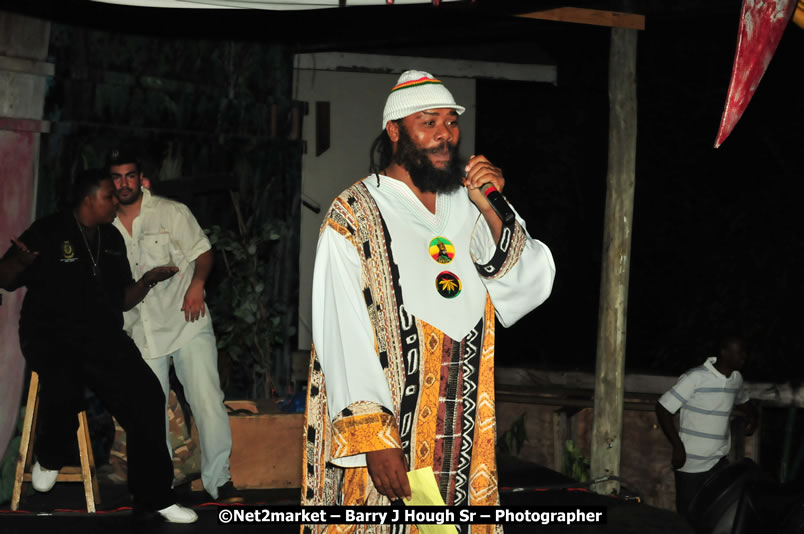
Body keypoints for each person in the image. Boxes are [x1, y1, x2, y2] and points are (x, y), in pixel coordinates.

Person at [301, 70, 556, 534]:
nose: (444, 134)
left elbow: (529, 284)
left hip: (463, 426)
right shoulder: (353, 213)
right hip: (392, 430)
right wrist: (374, 439)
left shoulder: (469, 201)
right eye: (428, 122)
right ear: (394, 131)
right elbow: (342, 330)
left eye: (450, 122)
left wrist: (491, 208)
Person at [0, 169, 197, 523]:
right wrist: (21, 262)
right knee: (65, 385)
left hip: (101, 336)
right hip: (51, 334)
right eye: (109, 195)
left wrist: (149, 281)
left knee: (147, 395)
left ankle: (154, 496)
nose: (116, 199)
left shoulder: (111, 238)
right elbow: (5, 278)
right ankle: (49, 457)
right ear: (89, 199)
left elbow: (121, 300)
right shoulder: (47, 231)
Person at [107, 148, 238, 503]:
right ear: (110, 182)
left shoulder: (170, 211)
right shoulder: (106, 228)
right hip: (141, 329)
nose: (124, 183)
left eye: (129, 175)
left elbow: (203, 252)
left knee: (206, 398)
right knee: (150, 409)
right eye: (117, 177)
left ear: (140, 178)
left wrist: (198, 285)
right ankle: (159, 485)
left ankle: (219, 480)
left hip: (186, 318)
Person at [655, 335, 757, 519]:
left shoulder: (736, 378)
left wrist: (752, 417)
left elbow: (743, 401)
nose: (743, 356)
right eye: (738, 352)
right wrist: (677, 447)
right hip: (691, 464)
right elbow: (663, 408)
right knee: (688, 519)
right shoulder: (696, 377)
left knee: (716, 516)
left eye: (744, 352)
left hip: (719, 462)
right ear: (724, 353)